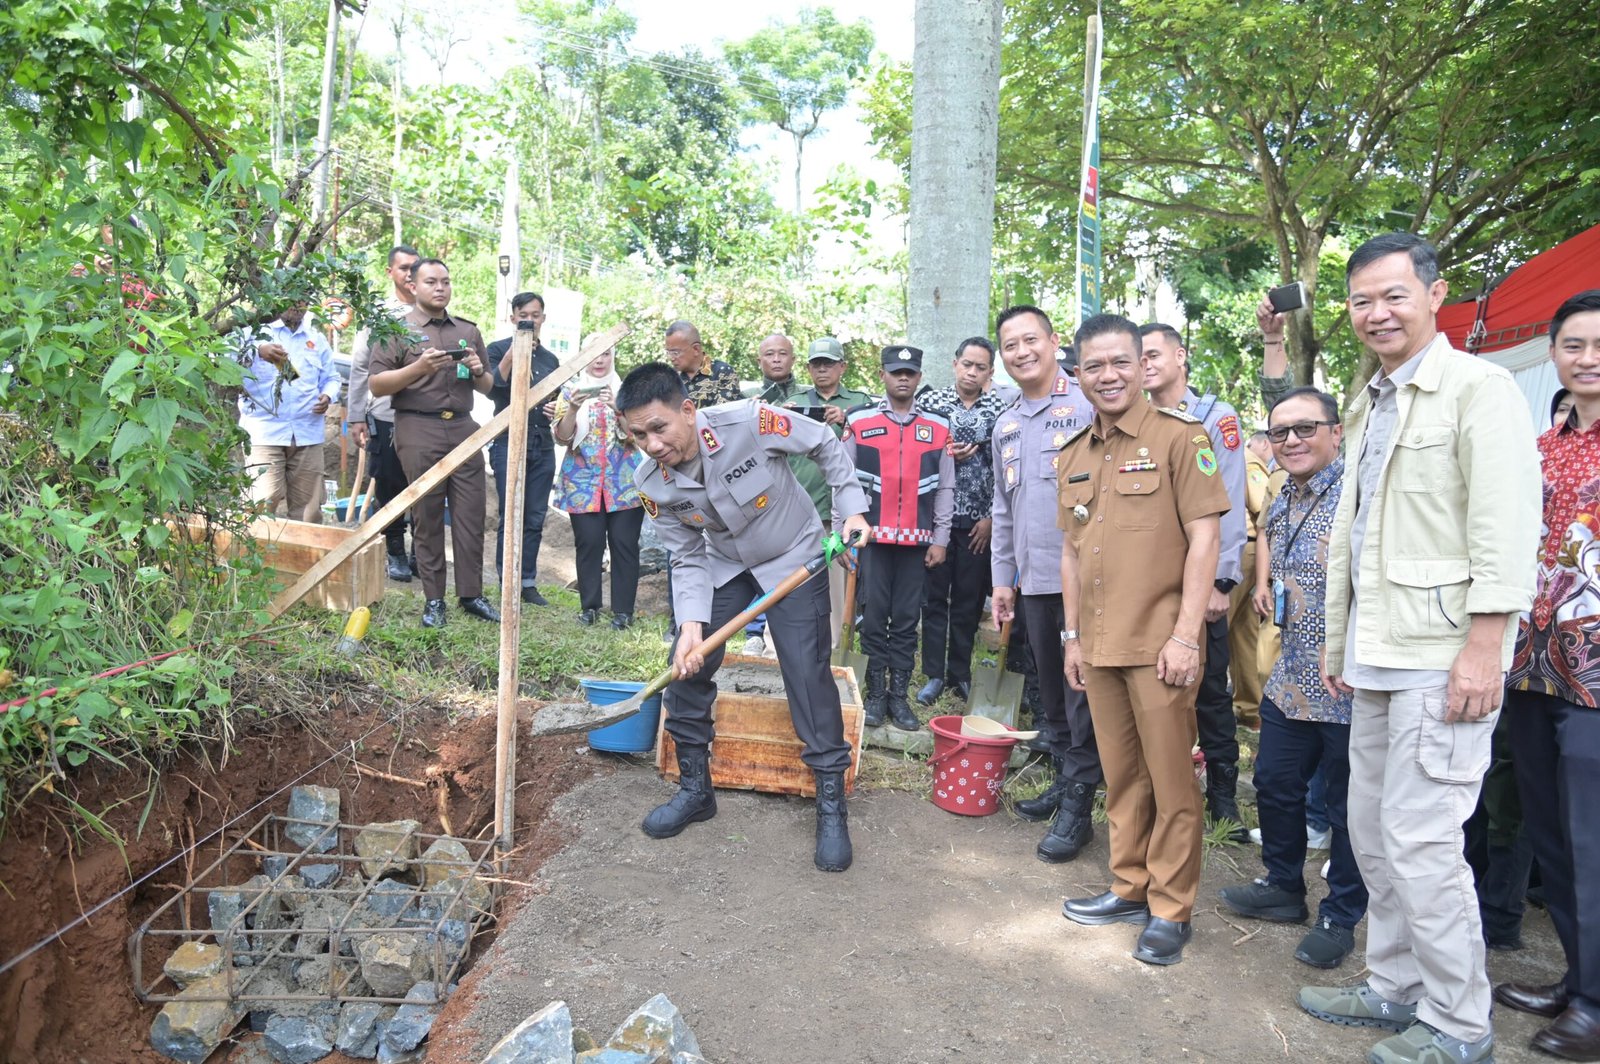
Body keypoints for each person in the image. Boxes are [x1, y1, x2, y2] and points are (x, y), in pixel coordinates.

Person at [1297, 233, 1539, 1064]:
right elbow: (1352, 540)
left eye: (1393, 295)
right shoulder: (1370, 399)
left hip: (1443, 657)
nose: (1376, 313)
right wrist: (1339, 640)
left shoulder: (1481, 389)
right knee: (1370, 826)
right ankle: (1394, 987)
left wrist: (1484, 648)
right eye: (1362, 300)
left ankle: (1460, 1022)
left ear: (1437, 296)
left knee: (1424, 838)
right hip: (1376, 653)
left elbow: (1506, 529)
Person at [616, 363, 871, 872]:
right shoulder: (651, 484)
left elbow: (824, 441)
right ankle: (695, 789)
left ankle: (830, 802)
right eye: (639, 434)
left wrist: (852, 509)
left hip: (793, 555)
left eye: (659, 428)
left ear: (687, 411)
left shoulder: (749, 422)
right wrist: (691, 629)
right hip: (724, 564)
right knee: (687, 666)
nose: (652, 443)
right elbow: (685, 556)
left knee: (806, 672)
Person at [1057, 313, 1229, 966]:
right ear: (1078, 374)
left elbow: (1206, 537)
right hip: (1098, 646)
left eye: (1119, 363)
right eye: (1094, 366)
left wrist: (1187, 636)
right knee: (1123, 778)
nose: (1107, 376)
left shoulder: (1180, 437)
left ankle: (1169, 908)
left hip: (1161, 646)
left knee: (1170, 784)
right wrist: (1072, 637)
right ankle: (1129, 886)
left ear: (1141, 366)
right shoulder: (1073, 454)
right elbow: (1071, 553)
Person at [1218, 384, 1367, 970]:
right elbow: (1267, 540)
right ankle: (1283, 886)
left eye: (1306, 429)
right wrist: (1261, 586)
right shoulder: (1285, 497)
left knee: (1347, 806)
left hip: (1349, 682)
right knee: (1276, 783)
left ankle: (1341, 914)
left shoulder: (1362, 496)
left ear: (1336, 432)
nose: (1292, 441)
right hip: (1291, 676)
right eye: (1281, 432)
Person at [1495, 289, 1600, 1061]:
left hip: (1597, 675)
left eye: (1599, 343)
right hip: (1530, 664)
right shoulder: (1538, 446)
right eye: (1573, 344)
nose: (1587, 357)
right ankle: (1578, 975)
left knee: (1595, 839)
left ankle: (1595, 1001)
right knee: (1554, 833)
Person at [989, 305, 1101, 863]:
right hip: (1031, 580)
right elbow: (1003, 510)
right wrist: (1001, 580)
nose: (1021, 351)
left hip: (1085, 580)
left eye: (1030, 340)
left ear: (1055, 342)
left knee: (1082, 694)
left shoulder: (1087, 403)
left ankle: (1080, 804)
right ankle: (1063, 778)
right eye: (1010, 345)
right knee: (1049, 692)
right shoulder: (1005, 423)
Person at [1139, 322, 1250, 840]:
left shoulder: (1215, 419)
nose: (1145, 364)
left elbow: (1228, 505)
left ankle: (1222, 795)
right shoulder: (1137, 421)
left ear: (1181, 356)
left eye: (1154, 354)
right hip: (1152, 580)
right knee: (1154, 687)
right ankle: (1163, 790)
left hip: (1201, 581)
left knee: (1209, 687)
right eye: (1137, 357)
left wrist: (1220, 584)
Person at [368, 258, 502, 629]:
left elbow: (488, 387)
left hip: (463, 428)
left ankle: (471, 595)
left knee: (470, 516)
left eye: (445, 281)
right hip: (417, 429)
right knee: (426, 517)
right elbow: (377, 384)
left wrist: (477, 371)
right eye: (431, 281)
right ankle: (434, 600)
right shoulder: (397, 329)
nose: (440, 288)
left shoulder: (467, 330)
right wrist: (418, 369)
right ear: (413, 286)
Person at [843, 345, 955, 731]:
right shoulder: (858, 421)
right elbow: (843, 481)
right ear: (883, 376)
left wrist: (940, 538)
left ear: (919, 377)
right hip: (871, 541)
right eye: (895, 372)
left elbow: (946, 488)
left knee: (907, 621)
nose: (903, 377)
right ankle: (875, 695)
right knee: (873, 618)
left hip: (917, 543)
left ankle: (899, 697)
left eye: (909, 372)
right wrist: (845, 532)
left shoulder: (939, 426)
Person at [914, 338, 1008, 705]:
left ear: (990, 372)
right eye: (966, 364)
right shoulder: (931, 403)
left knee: (968, 601)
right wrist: (944, 452)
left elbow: (1006, 469)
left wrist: (989, 517)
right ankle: (933, 676)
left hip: (977, 525)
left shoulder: (1001, 410)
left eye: (980, 367)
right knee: (934, 599)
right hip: (938, 520)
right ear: (955, 364)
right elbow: (914, 455)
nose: (972, 372)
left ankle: (960, 674)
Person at [786, 337, 876, 643]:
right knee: (791, 577)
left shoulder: (862, 402)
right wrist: (786, 417)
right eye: (816, 364)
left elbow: (877, 443)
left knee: (837, 576)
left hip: (839, 513)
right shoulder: (794, 401)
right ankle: (781, 642)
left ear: (842, 367)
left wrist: (847, 418)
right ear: (808, 368)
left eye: (828, 363)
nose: (822, 369)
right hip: (800, 506)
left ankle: (836, 643)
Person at [553, 341, 643, 629]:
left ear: (613, 356)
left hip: (624, 482)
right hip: (583, 481)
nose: (599, 360)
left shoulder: (628, 391)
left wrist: (618, 408)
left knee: (624, 544)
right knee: (589, 543)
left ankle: (623, 612)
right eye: (593, 354)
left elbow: (638, 434)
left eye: (605, 353)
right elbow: (562, 437)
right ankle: (589, 607)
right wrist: (572, 409)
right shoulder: (569, 391)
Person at [348, 244, 421, 580]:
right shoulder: (379, 316)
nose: (410, 274)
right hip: (386, 414)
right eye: (404, 268)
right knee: (390, 484)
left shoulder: (432, 309)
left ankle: (423, 551)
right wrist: (356, 416)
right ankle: (395, 551)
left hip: (426, 417)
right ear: (390, 272)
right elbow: (360, 367)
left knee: (425, 486)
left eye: (415, 268)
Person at [486, 292, 560, 606]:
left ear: (543, 318)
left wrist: (557, 409)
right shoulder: (496, 349)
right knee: (511, 514)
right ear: (514, 316)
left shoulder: (551, 359)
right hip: (507, 442)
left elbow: (559, 403)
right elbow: (493, 389)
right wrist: (514, 353)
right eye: (525, 314)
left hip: (542, 445)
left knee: (534, 516)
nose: (531, 320)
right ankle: (507, 582)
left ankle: (527, 581)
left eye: (537, 314)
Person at [237, 303, 338, 523]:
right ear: (276, 297)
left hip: (307, 432)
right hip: (264, 432)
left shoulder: (316, 338)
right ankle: (256, 555)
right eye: (291, 297)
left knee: (308, 510)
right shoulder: (252, 333)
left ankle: (305, 557)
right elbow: (218, 357)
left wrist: (327, 395)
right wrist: (256, 350)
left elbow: (332, 378)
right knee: (262, 501)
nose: (297, 305)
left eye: (303, 299)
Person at [744, 332, 802, 654]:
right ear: (760, 360)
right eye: (770, 354)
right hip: (755, 494)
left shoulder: (808, 396)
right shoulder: (747, 398)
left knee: (792, 568)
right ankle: (753, 630)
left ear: (793, 359)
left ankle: (779, 633)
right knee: (756, 563)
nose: (777, 359)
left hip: (797, 495)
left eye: (783, 353)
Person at [1229, 430, 1274, 730]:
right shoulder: (1243, 457)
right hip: (1242, 550)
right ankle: (1249, 709)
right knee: (1242, 636)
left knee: (1217, 634)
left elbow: (1263, 510)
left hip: (1243, 550)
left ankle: (1250, 709)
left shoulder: (1244, 459)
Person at [665, 319, 742, 408]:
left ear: (696, 349)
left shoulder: (723, 372)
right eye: (668, 352)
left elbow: (722, 415)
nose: (671, 358)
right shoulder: (670, 378)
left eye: (675, 353)